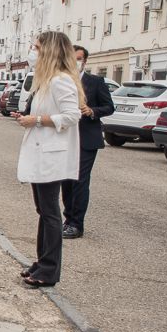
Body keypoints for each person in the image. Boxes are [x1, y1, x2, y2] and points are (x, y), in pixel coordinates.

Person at [14, 31, 85, 287]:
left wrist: (38, 120)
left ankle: (49, 269)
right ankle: (41, 261)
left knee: (50, 212)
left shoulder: (60, 81)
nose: (32, 52)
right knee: (43, 210)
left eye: (36, 47)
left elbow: (71, 115)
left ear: (49, 51)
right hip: (42, 151)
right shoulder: (45, 81)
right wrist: (27, 119)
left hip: (51, 155)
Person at [61, 45, 114, 239]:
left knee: (79, 181)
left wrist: (92, 111)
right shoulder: (61, 81)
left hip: (86, 138)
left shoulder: (95, 82)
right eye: (71, 58)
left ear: (85, 61)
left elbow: (109, 107)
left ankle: (77, 224)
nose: (75, 62)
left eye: (79, 58)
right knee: (66, 180)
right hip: (65, 137)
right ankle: (67, 219)